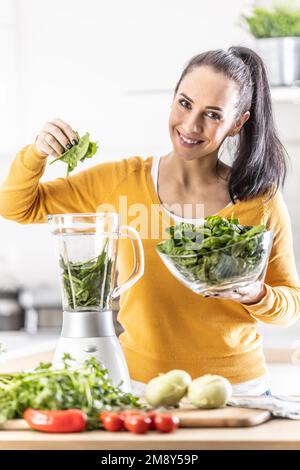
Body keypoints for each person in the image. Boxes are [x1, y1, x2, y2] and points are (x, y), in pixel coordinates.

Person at [0, 46, 299, 396]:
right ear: (173, 97)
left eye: (213, 115)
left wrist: (256, 293)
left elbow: (290, 305)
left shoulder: (259, 200)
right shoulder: (119, 181)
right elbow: (17, 206)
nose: (191, 125)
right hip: (141, 387)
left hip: (236, 390)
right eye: (185, 104)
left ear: (237, 123)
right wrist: (36, 152)